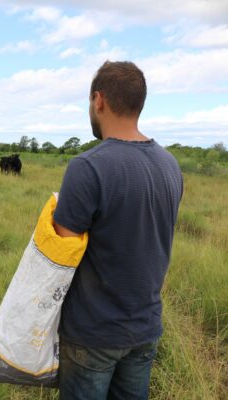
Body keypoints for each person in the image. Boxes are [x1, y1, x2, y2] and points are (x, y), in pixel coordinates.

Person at [52, 61, 183, 399]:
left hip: (93, 334)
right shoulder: (170, 165)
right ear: (138, 103)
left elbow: (61, 256)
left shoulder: (87, 166)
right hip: (145, 328)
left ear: (99, 100)